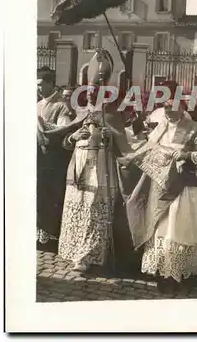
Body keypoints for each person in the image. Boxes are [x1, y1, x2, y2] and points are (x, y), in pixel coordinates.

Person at [120, 99, 197, 294]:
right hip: (161, 187)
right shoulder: (161, 128)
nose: (169, 110)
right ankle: (163, 271)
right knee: (161, 226)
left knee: (177, 227)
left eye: (173, 106)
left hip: (184, 188)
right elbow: (146, 149)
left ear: (183, 108)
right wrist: (129, 157)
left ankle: (175, 273)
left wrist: (187, 156)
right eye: (166, 107)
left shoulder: (193, 130)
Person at [58, 50, 139, 273]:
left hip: (101, 166)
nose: (92, 96)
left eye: (96, 92)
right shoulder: (82, 112)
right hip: (78, 166)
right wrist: (74, 137)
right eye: (89, 92)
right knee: (79, 207)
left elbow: (123, 144)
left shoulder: (111, 114)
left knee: (95, 210)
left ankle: (90, 255)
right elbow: (65, 141)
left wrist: (109, 136)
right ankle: (75, 251)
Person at [37, 70, 75, 251]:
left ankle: (51, 237)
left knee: (52, 196)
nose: (38, 87)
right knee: (39, 196)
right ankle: (41, 234)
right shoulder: (38, 104)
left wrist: (42, 125)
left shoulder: (61, 105)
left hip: (54, 158)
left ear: (51, 83)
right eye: (36, 84)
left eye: (40, 83)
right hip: (39, 157)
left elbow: (63, 129)